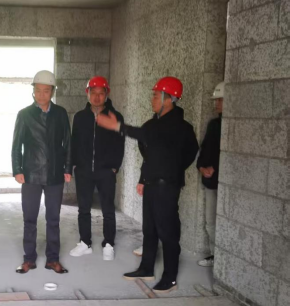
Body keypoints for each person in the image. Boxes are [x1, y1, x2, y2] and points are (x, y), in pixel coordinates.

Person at [96, 77, 199, 293]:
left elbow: (190, 151)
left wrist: (173, 169)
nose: (152, 99)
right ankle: (146, 268)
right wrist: (143, 179)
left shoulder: (180, 127)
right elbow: (148, 154)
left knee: (168, 233)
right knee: (149, 230)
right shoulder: (153, 124)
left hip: (167, 187)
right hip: (152, 184)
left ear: (169, 99)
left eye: (156, 95)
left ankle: (170, 278)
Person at [11, 70, 72, 274]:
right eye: (38, 90)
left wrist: (67, 168)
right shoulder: (24, 115)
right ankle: (29, 259)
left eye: (46, 91)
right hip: (31, 174)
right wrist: (17, 169)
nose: (41, 95)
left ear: (52, 92)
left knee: (53, 219)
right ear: (33, 91)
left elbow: (68, 143)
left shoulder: (60, 113)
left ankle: (52, 259)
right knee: (29, 218)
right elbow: (16, 145)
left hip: (55, 174)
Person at [70, 76, 125, 261]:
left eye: (101, 93)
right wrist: (74, 165)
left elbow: (120, 144)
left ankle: (109, 243)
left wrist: (114, 167)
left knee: (108, 209)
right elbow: (74, 142)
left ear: (106, 94)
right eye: (93, 93)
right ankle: (85, 243)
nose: (97, 97)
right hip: (84, 170)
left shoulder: (115, 117)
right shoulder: (80, 117)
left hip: (105, 171)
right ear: (87, 93)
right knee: (83, 208)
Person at [196, 82, 223, 267]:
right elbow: (205, 149)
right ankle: (215, 256)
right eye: (216, 100)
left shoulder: (233, 124)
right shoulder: (214, 125)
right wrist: (200, 167)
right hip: (211, 182)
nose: (217, 104)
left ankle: (223, 260)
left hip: (224, 182)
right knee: (210, 221)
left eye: (220, 100)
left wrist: (216, 169)